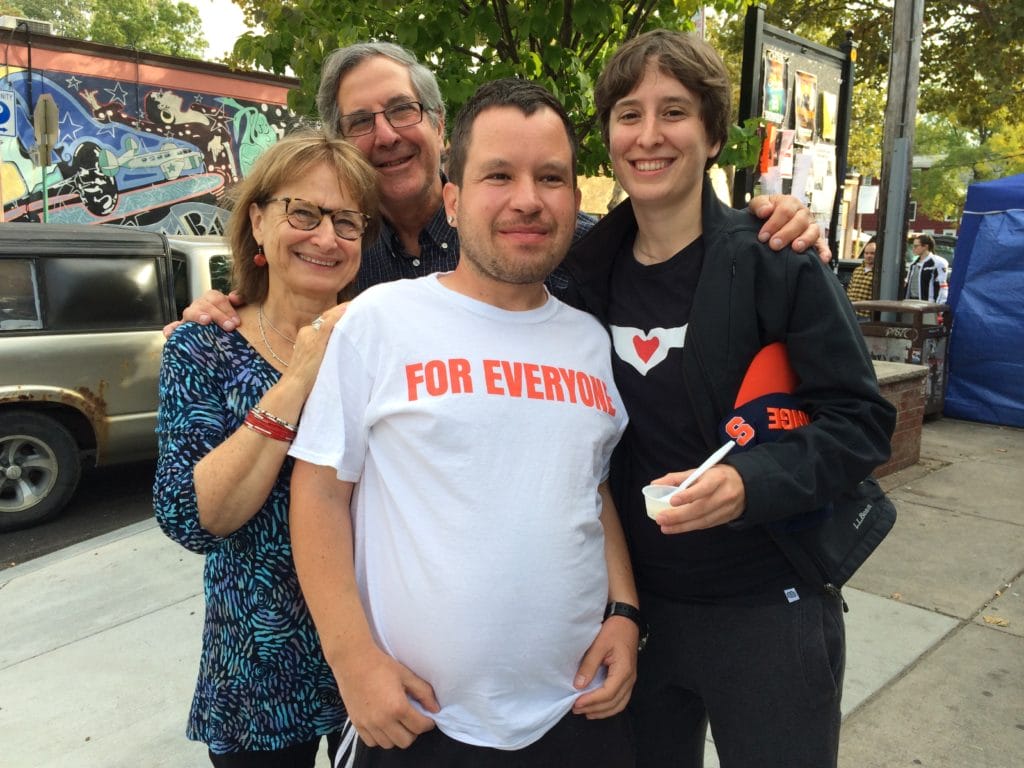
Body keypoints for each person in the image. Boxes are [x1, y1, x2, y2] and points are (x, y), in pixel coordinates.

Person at [558, 30, 896, 768]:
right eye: (628, 113)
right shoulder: (580, 276)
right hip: (635, 614)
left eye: (674, 112)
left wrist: (749, 483)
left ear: (712, 135)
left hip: (767, 607)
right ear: (609, 135)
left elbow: (864, 421)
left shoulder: (776, 259)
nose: (649, 136)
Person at [288, 78, 639, 767]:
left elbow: (588, 490)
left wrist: (625, 613)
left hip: (576, 713)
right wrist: (352, 660)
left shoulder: (590, 341)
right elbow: (320, 493)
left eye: (551, 177)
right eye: (498, 175)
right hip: (418, 723)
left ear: (575, 197)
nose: (528, 200)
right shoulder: (380, 321)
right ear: (453, 198)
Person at [170, 41, 828, 336]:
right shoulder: (337, 257)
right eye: (360, 123)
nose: (387, 134)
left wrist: (765, 219)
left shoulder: (557, 242)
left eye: (401, 111)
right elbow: (278, 322)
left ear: (436, 127)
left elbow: (663, 245)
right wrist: (223, 314)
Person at [153, 130, 379, 767]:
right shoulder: (202, 347)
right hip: (258, 665)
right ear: (257, 220)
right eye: (302, 213)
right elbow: (197, 520)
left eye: (346, 221)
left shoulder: (383, 341)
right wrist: (301, 373)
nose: (325, 238)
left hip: (377, 645)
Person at [905, 233, 949, 303]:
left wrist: (939, 307)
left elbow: (942, 287)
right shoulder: (913, 264)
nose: (913, 249)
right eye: (913, 246)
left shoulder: (938, 262)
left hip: (928, 305)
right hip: (911, 302)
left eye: (916, 246)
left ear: (925, 246)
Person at [845, 236, 876, 317]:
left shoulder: (878, 274)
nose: (869, 256)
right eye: (866, 253)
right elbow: (849, 290)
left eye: (872, 253)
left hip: (866, 316)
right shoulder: (857, 270)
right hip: (851, 313)